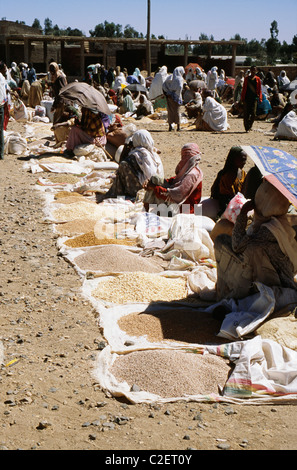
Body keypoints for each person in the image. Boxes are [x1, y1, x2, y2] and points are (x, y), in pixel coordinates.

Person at [214, 180, 297, 301]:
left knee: (222, 241)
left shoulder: (269, 230)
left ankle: (229, 294)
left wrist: (243, 213)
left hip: (272, 282)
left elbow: (237, 246)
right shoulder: (280, 223)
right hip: (274, 276)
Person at [96, 129, 164, 202]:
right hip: (154, 185)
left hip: (143, 186)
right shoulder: (153, 153)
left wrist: (126, 146)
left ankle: (130, 194)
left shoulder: (138, 154)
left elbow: (121, 162)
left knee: (124, 165)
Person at [143, 142, 203, 215]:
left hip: (186, 208)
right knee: (155, 179)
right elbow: (174, 180)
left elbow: (178, 195)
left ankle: (146, 210)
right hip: (181, 204)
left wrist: (156, 188)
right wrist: (152, 182)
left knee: (156, 190)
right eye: (183, 156)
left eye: (186, 156)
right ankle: (146, 209)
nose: (184, 158)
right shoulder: (188, 169)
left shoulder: (193, 174)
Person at [209, 146, 247, 217]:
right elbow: (230, 196)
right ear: (233, 160)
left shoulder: (243, 173)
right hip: (227, 203)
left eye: (245, 160)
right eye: (242, 160)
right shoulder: (227, 176)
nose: (244, 162)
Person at [162, 66, 185, 131]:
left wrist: (168, 92)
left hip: (169, 96)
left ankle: (170, 126)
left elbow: (164, 85)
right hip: (176, 97)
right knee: (177, 111)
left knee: (170, 111)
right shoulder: (180, 79)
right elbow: (180, 87)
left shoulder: (171, 78)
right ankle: (178, 127)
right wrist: (176, 94)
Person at [241, 66, 262, 132]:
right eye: (252, 70)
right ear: (250, 70)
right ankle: (246, 127)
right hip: (247, 98)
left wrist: (260, 98)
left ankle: (250, 125)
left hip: (254, 98)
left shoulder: (258, 79)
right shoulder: (247, 79)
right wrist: (242, 98)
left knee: (253, 113)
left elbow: (259, 89)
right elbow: (244, 88)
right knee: (246, 113)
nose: (253, 71)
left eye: (254, 70)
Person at [0, 68, 8, 160]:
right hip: (1, 105)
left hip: (1, 105)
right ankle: (1, 153)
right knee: (0, 129)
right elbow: (5, 91)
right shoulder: (2, 78)